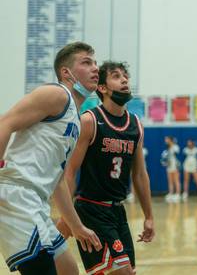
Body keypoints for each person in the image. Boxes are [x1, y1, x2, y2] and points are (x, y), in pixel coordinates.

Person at [0, 41, 102, 274]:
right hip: (17, 194)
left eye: (95, 63)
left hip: (36, 201)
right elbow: (4, 124)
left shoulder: (75, 118)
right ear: (66, 72)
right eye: (86, 62)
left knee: (68, 269)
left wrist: (76, 227)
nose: (95, 68)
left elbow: (58, 180)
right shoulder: (56, 94)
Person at [62, 61, 154, 275]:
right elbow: (69, 172)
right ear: (102, 87)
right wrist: (67, 216)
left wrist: (149, 215)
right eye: (116, 76)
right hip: (91, 209)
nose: (124, 80)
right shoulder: (90, 120)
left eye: (125, 76)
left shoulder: (135, 124)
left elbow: (139, 174)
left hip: (118, 212)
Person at [162, 137, 181, 203]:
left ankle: (178, 194)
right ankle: (171, 193)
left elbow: (177, 155)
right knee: (170, 181)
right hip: (169, 166)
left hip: (175, 166)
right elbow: (165, 157)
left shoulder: (175, 147)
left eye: (167, 139)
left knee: (176, 180)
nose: (166, 141)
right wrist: (165, 162)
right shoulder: (167, 148)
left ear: (171, 140)